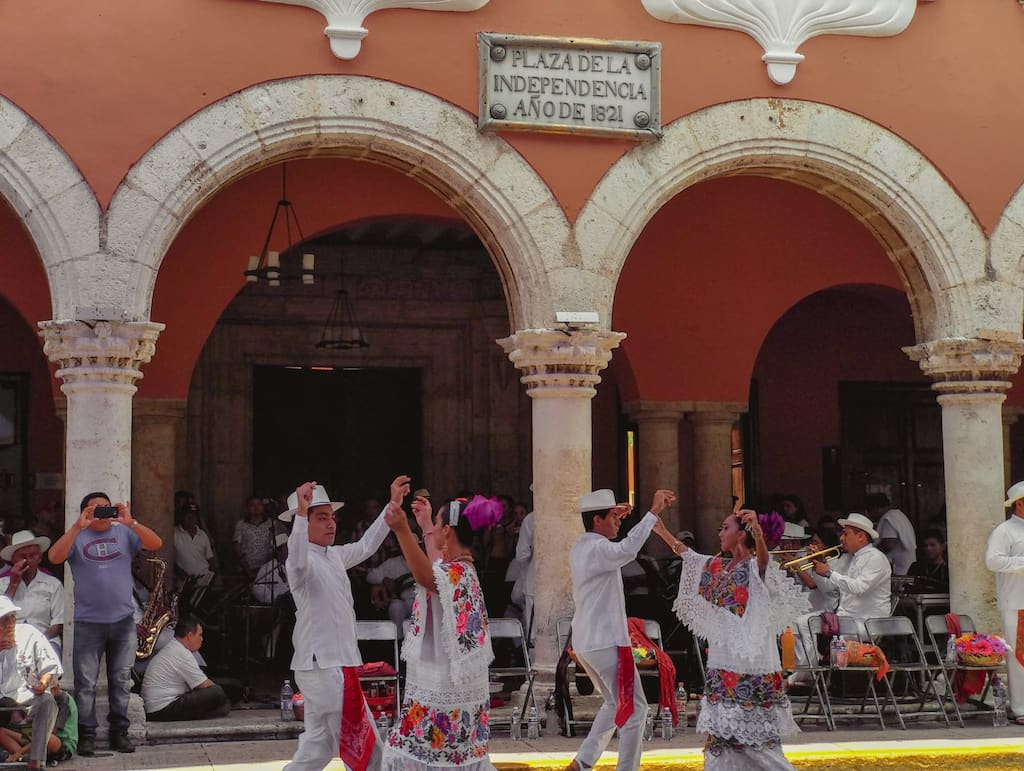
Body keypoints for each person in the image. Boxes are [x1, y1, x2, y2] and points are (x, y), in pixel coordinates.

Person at [656, 510, 807, 769]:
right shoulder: (718, 567)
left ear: (740, 535)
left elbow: (762, 563)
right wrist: (661, 531)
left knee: (759, 743)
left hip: (752, 664)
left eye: (725, 528)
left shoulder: (754, 568)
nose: (719, 533)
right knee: (720, 740)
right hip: (723, 661)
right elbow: (688, 556)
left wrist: (757, 533)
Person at [282, 476, 409, 771]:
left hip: (336, 664)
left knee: (319, 747)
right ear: (304, 522)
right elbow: (298, 560)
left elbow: (366, 545)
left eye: (332, 518)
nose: (331, 524)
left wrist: (392, 505)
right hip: (321, 666)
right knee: (364, 741)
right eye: (321, 518)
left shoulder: (335, 556)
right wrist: (300, 514)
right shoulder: (299, 562)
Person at [381, 493, 500, 771]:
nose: (433, 527)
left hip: (445, 685)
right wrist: (424, 526)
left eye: (437, 522)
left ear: (447, 530)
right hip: (452, 684)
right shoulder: (462, 570)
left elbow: (427, 576)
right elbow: (436, 569)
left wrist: (402, 530)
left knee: (403, 753)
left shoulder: (459, 573)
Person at [564, 488, 675, 771]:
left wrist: (623, 514)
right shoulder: (597, 548)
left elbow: (621, 545)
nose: (618, 521)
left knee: (615, 705)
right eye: (613, 517)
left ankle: (583, 762)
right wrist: (652, 513)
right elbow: (627, 549)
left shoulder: (583, 545)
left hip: (590, 641)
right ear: (597, 520)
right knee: (636, 709)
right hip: (603, 642)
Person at [47, 492, 163, 756]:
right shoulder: (77, 536)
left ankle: (119, 733)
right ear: (84, 511)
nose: (100, 512)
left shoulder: (124, 532)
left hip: (123, 622)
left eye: (105, 508)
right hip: (88, 623)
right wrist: (77, 526)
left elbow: (156, 543)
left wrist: (130, 522)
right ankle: (86, 735)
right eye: (94, 509)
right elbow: (54, 557)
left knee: (121, 680)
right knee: (85, 684)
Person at [0, 596, 61, 771]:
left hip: (24, 694)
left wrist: (43, 683)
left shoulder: (29, 633)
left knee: (48, 702)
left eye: (12, 617)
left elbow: (49, 666)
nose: (9, 623)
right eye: (3, 619)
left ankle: (36, 761)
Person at [985, 480, 1024, 726]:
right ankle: (1020, 707)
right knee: (1018, 656)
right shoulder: (1005, 530)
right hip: (1016, 601)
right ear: (1019, 503)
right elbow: (992, 561)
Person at [142, 615, 230, 722]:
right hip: (162, 710)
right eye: (200, 635)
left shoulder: (174, 647)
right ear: (189, 636)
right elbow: (204, 685)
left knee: (218, 694)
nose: (202, 639)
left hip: (158, 708)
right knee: (217, 692)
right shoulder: (181, 653)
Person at [0, 531, 64, 655]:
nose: (28, 560)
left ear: (40, 558)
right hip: (9, 641)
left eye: (33, 555)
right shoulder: (2, 584)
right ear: (13, 559)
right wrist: (13, 584)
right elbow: (1, 614)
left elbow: (58, 622)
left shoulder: (53, 584)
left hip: (45, 640)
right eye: (22, 556)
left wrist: (37, 641)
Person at [366, 537, 416, 641]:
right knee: (395, 607)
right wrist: (383, 580)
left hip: (422, 602)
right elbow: (370, 576)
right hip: (404, 602)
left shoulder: (426, 560)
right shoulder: (392, 563)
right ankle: (400, 643)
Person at [865, 493, 916, 576]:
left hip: (899, 569)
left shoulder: (888, 518)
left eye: (870, 511)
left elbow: (889, 544)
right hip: (907, 566)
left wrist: (869, 555)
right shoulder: (898, 515)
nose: (869, 514)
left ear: (876, 508)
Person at [173, 503, 217, 592]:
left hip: (204, 580)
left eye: (193, 516)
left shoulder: (203, 534)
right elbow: (168, 558)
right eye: (187, 516)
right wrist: (180, 572)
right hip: (184, 582)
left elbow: (210, 557)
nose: (190, 519)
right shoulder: (174, 534)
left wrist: (214, 577)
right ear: (182, 516)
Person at [233, 496, 276, 577]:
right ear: (247, 508)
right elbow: (237, 546)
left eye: (259, 504)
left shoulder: (271, 523)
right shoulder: (241, 524)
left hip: (267, 568)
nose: (256, 508)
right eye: (252, 505)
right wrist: (247, 569)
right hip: (247, 567)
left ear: (263, 507)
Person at [907, 528, 949, 593]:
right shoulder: (915, 567)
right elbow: (907, 589)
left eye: (932, 545)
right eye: (925, 546)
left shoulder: (948, 569)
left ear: (943, 546)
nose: (928, 549)